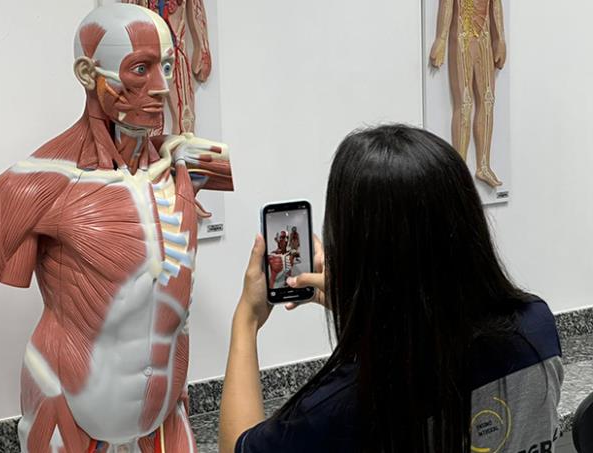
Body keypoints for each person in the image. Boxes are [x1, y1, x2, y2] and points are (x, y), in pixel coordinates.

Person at [218, 125, 563, 453]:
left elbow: (238, 447)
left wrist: (246, 320)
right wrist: (360, 306)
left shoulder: (341, 408)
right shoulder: (536, 326)